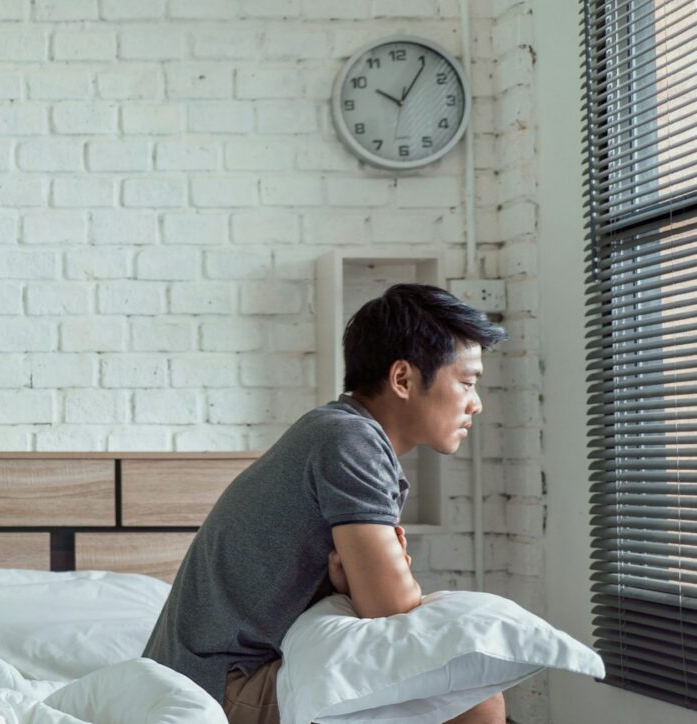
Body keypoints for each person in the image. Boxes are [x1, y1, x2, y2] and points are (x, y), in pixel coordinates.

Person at [142, 283, 509, 724]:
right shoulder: (350, 441)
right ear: (403, 379)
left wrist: (354, 586)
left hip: (206, 672)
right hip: (213, 686)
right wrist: (366, 586)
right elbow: (390, 611)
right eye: (467, 383)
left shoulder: (338, 432)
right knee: (473, 698)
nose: (477, 404)